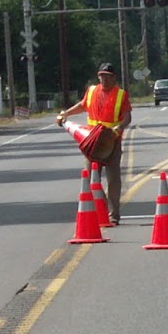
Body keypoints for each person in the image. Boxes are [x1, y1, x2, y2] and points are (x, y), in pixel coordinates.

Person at [57, 63, 131, 223]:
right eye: (101, 76)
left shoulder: (121, 95)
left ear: (114, 78)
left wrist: (118, 128)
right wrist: (66, 113)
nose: (104, 79)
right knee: (90, 178)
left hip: (112, 142)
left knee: (113, 179)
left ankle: (114, 214)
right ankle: (102, 209)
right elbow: (82, 106)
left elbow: (127, 117)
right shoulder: (92, 91)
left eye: (107, 76)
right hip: (92, 142)